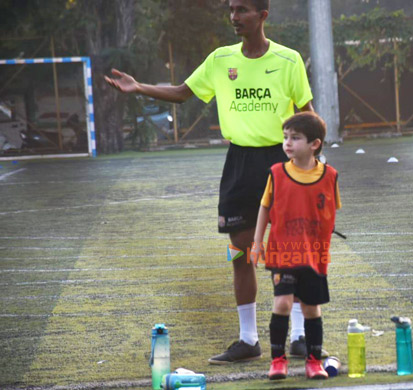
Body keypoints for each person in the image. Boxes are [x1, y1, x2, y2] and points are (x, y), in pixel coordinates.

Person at [105, 0, 322, 364]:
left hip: (280, 162)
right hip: (239, 162)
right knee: (240, 252)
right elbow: (182, 92)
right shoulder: (221, 59)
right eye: (232, 10)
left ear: (263, 16)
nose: (234, 17)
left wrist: (312, 157)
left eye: (243, 10)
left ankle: (299, 335)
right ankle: (248, 339)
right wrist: (138, 87)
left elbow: (307, 112)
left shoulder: (288, 60)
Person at [251, 112, 341, 380]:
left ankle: (314, 362)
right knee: (282, 303)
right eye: (285, 137)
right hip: (283, 253)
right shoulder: (277, 173)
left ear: (315, 144)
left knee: (312, 308)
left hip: (314, 256)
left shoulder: (330, 177)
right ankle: (278, 361)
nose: (287, 143)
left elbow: (329, 214)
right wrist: (257, 243)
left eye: (295, 138)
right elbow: (265, 206)